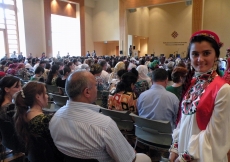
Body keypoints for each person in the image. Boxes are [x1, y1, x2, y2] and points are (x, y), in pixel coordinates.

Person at [49, 70, 151, 162]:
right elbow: (129, 159)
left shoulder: (55, 117)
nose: (97, 89)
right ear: (87, 92)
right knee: (144, 158)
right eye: (95, 86)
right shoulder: (104, 125)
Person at [169, 30, 230, 162]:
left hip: (202, 156)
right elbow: (182, 120)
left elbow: (215, 135)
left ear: (216, 56)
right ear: (189, 57)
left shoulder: (223, 90)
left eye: (206, 53)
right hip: (183, 153)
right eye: (195, 54)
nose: (200, 59)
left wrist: (185, 157)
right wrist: (175, 147)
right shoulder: (191, 83)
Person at [14, 82, 63, 161]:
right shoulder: (44, 121)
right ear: (38, 97)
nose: (47, 96)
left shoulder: (24, 115)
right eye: (45, 93)